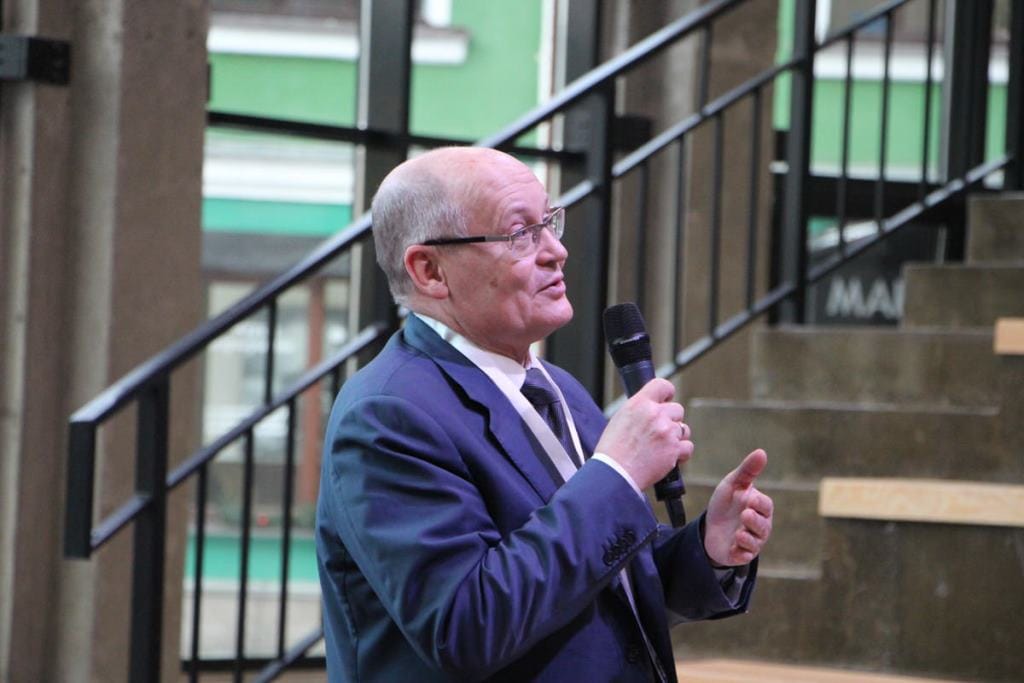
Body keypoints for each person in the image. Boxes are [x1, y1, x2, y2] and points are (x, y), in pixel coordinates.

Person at [316, 147, 773, 682]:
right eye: (520, 233)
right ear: (430, 270)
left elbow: (603, 575)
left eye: (550, 222)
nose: (556, 251)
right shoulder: (388, 415)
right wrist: (618, 474)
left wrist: (707, 549)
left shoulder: (556, 387)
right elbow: (466, 625)